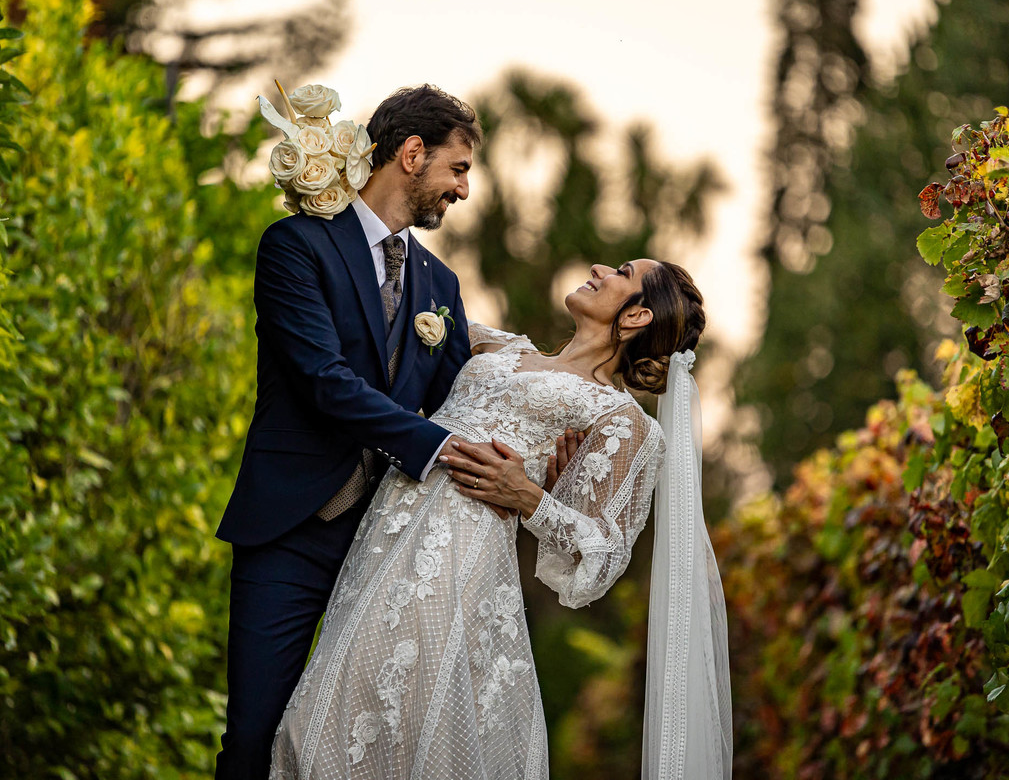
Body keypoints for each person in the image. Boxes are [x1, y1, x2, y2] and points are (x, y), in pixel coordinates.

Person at [269, 260, 733, 779]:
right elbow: (395, 315)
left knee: (370, 720)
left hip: (457, 559)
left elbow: (603, 554)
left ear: (637, 316)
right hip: (383, 536)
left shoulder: (621, 418)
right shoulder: (498, 345)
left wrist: (530, 497)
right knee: (324, 715)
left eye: (622, 272)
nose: (600, 268)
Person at [214, 84, 487, 779]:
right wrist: (435, 446)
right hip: (291, 533)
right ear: (412, 153)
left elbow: (462, 401)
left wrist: (545, 437)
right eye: (457, 168)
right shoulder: (295, 246)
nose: (463, 189)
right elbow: (323, 381)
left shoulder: (442, 287)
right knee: (253, 740)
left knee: (357, 752)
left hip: (388, 547)